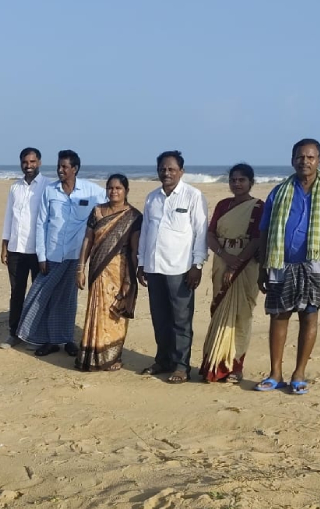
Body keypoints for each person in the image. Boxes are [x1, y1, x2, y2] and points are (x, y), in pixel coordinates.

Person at [255, 139, 320, 394]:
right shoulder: (279, 192)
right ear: (292, 160)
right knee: (279, 316)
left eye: (310, 157)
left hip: (316, 264)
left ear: (319, 161)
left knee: (309, 316)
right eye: (300, 157)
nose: (304, 161)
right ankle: (275, 374)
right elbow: (264, 231)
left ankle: (299, 374)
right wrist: (262, 267)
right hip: (280, 262)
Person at [17, 150, 106, 357]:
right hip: (52, 254)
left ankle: (66, 340)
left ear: (75, 169)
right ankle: (46, 339)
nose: (60, 170)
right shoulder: (50, 191)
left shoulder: (91, 191)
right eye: (59, 166)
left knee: (67, 299)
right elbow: (41, 224)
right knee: (41, 296)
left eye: (65, 167)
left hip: (76, 255)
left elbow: (113, 200)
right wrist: (41, 256)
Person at [137, 151, 208, 384]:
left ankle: (181, 366)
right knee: (160, 318)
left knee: (181, 320)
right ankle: (163, 360)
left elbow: (201, 232)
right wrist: (141, 262)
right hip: (154, 267)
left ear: (181, 171)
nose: (166, 173)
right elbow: (146, 232)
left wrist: (197, 265)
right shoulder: (152, 198)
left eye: (171, 169)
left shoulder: (193, 196)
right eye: (162, 169)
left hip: (181, 268)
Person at [199, 164, 264, 383]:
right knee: (220, 309)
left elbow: (257, 239)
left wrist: (236, 265)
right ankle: (215, 365)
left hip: (246, 265)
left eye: (241, 180)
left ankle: (235, 366)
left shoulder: (259, 207)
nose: (237, 184)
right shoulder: (223, 205)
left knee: (242, 315)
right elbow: (210, 235)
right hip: (221, 260)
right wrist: (225, 257)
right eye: (233, 180)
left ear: (251, 182)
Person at [75, 174, 142, 371]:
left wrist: (130, 279)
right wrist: (80, 268)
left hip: (119, 272)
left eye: (118, 188)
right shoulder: (97, 211)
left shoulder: (134, 217)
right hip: (98, 270)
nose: (114, 191)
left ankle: (113, 357)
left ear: (126, 191)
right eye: (110, 188)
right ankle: (93, 354)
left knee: (115, 313)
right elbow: (88, 241)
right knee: (97, 310)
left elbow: (134, 250)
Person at [0, 147, 50, 350]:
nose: (28, 166)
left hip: (38, 251)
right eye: (25, 162)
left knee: (38, 294)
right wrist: (4, 246)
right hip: (15, 249)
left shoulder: (48, 186)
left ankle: (35, 334)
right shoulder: (15, 187)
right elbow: (9, 218)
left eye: (32, 162)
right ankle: (14, 333)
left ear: (39, 162)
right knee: (17, 292)